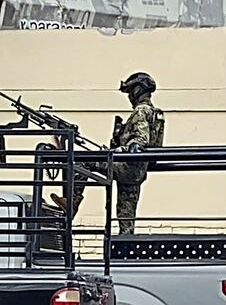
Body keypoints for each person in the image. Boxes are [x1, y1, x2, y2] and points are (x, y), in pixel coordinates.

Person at [53, 72, 166, 234]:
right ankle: (126, 244)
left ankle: (72, 201)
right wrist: (120, 136)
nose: (129, 97)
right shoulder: (158, 114)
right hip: (138, 171)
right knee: (126, 214)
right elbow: (156, 145)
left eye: (130, 91)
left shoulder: (140, 111)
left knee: (83, 161)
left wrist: (119, 149)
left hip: (126, 165)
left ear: (138, 90)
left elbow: (141, 140)